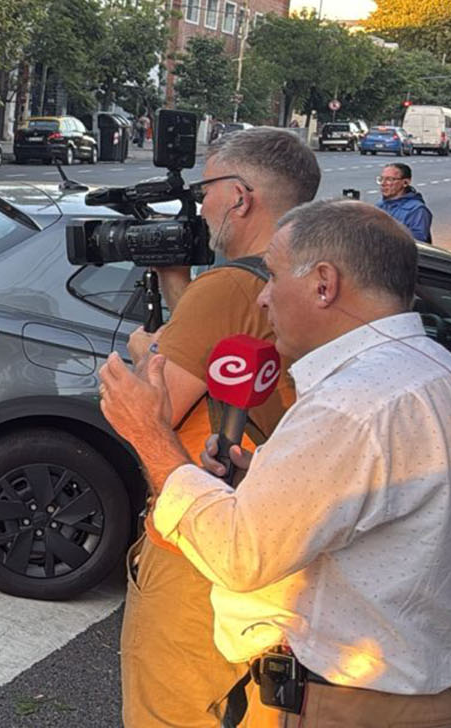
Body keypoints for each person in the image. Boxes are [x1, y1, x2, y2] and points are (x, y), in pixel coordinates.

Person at [100, 200, 451, 727]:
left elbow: (238, 557)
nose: (265, 299)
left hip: (355, 703)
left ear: (324, 284)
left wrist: (149, 434)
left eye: (272, 276)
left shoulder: (351, 403)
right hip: (426, 691)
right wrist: (259, 486)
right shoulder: (438, 369)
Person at [109, 126, 322, 728]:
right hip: (280, 547)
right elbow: (227, 355)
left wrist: (147, 347)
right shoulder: (297, 288)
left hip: (201, 550)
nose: (200, 206)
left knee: (171, 709)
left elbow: (157, 409)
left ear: (239, 196)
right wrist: (180, 291)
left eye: (206, 190)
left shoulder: (229, 287)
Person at [375, 162, 433, 244]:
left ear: (405, 182)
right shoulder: (380, 205)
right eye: (381, 179)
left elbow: (418, 243)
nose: (383, 184)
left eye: (390, 179)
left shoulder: (416, 210)